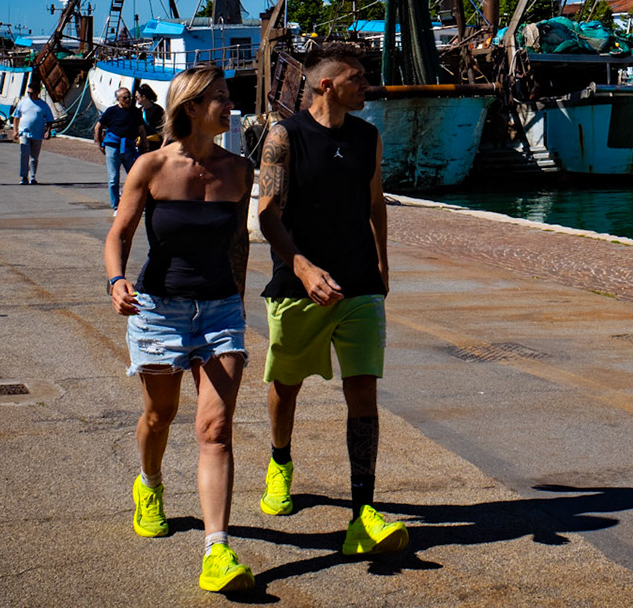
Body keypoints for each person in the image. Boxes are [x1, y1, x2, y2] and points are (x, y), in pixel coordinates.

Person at [103, 65, 256, 594]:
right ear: (190, 107)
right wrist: (117, 281)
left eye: (228, 97)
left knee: (214, 430)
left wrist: (236, 301)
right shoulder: (150, 166)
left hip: (220, 312)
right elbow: (119, 232)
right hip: (158, 309)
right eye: (219, 98)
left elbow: (239, 242)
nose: (229, 105)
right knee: (159, 414)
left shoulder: (240, 170)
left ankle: (217, 549)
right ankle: (149, 484)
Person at [256, 47, 407, 558]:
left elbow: (375, 202)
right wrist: (300, 266)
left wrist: (384, 265)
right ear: (326, 85)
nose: (368, 85)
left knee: (363, 392)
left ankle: (363, 511)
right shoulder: (285, 136)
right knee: (286, 384)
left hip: (360, 285)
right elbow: (267, 215)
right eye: (357, 77)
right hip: (298, 286)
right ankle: (280, 463)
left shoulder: (368, 137)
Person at [99, 88, 146, 210]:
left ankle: (126, 197)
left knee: (135, 176)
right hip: (113, 147)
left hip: (129, 147)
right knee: (113, 178)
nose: (128, 100)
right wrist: (99, 143)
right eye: (124, 98)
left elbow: (141, 129)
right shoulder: (111, 111)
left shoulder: (135, 112)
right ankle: (116, 206)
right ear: (118, 99)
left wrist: (145, 145)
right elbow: (98, 127)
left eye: (129, 97)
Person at [14, 83, 55, 185]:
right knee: (24, 154)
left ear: (37, 93)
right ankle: (24, 176)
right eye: (28, 93)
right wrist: (15, 130)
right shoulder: (23, 103)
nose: (29, 95)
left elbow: (50, 119)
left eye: (31, 93)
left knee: (34, 157)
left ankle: (32, 176)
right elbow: (16, 116)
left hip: (37, 134)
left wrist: (48, 131)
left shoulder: (43, 105)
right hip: (24, 132)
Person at [138, 84, 165, 151]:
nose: (136, 98)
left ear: (143, 97)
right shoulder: (139, 111)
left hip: (154, 144)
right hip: (142, 144)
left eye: (137, 97)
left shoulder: (157, 110)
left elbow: (164, 128)